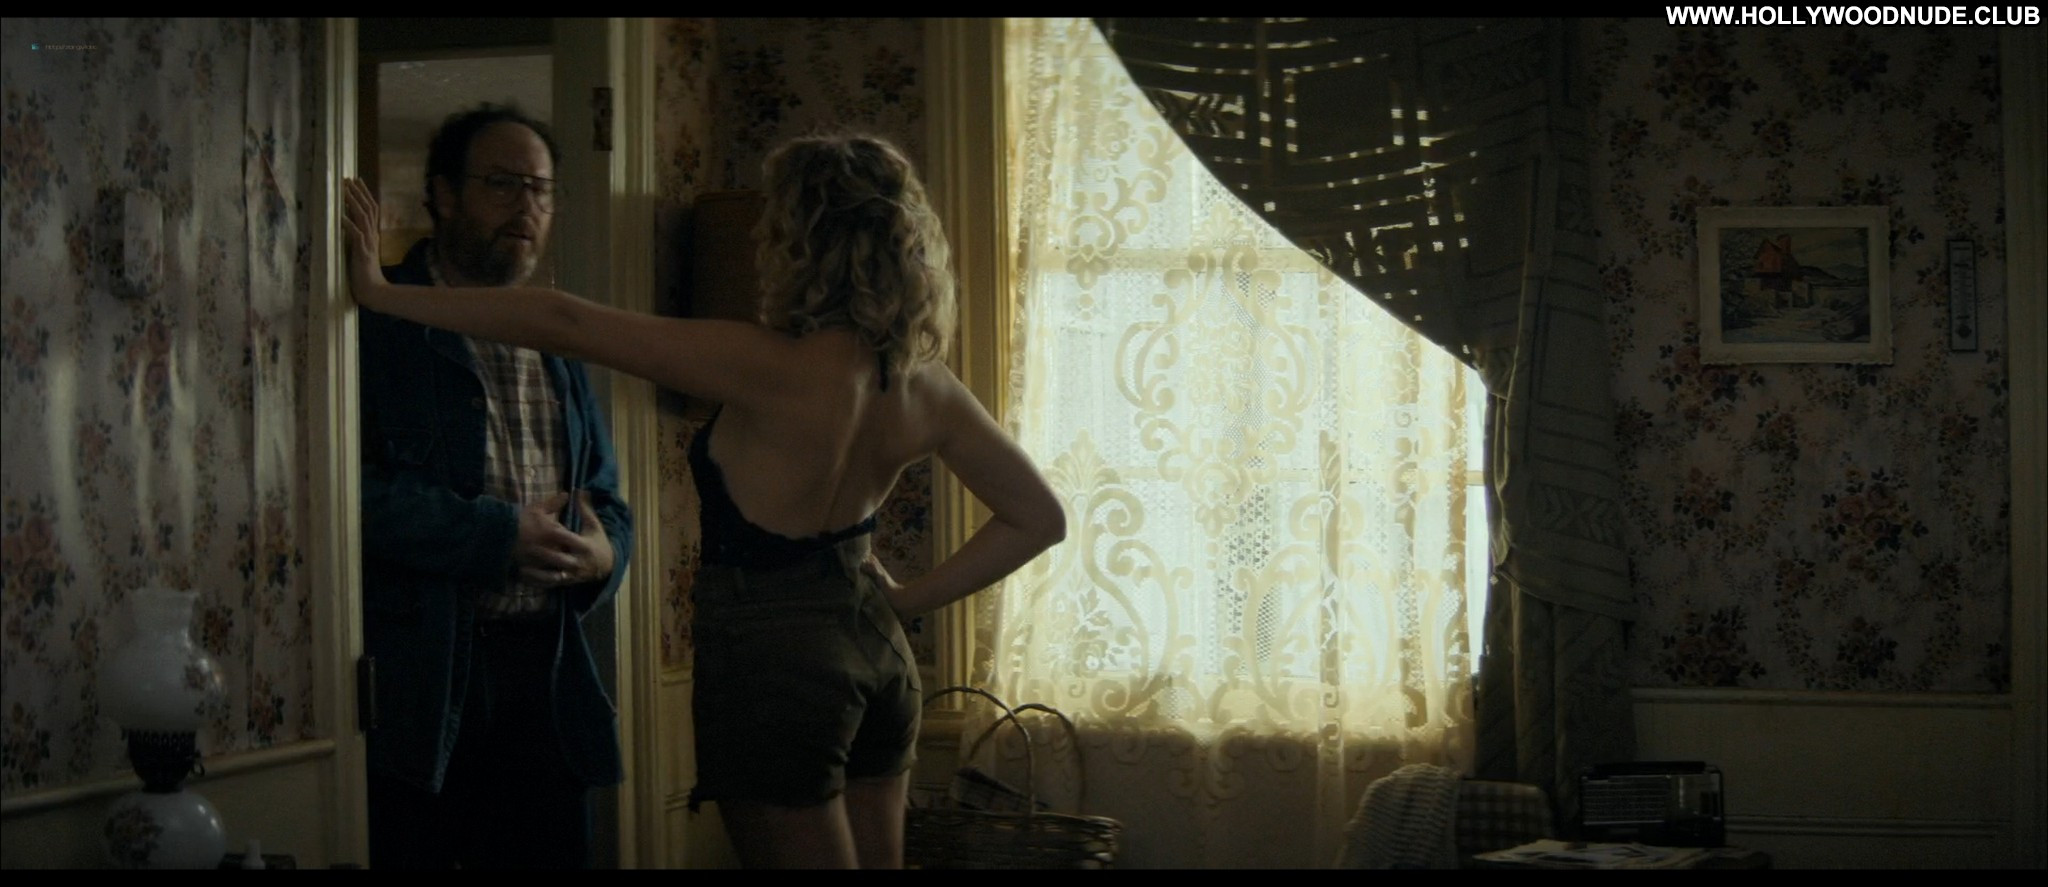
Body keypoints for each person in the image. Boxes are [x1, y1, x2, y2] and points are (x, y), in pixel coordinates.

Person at [341, 130, 1066, 869]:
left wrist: (382, 292)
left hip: (777, 663)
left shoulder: (761, 362)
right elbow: (1040, 518)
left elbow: (564, 322)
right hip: (878, 649)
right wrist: (907, 599)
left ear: (801, 239)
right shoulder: (927, 384)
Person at [355, 102, 634, 870]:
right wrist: (497, 535)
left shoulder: (554, 336)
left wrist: (605, 555)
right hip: (429, 671)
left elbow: (608, 499)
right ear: (443, 194)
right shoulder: (380, 322)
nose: (526, 207)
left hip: (548, 669)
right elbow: (345, 498)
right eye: (504, 184)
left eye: (541, 190)